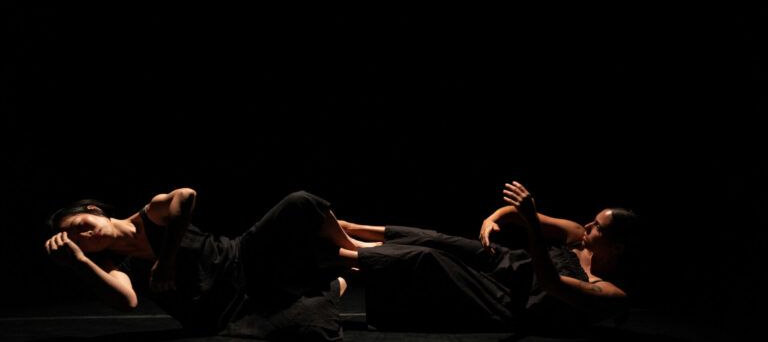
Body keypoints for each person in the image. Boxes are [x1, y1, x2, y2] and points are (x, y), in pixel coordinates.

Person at [44, 188, 377, 341]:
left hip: (241, 260)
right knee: (308, 327)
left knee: (299, 203)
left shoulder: (149, 214)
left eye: (79, 223)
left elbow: (185, 196)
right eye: (77, 240)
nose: (84, 234)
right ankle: (335, 281)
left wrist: (167, 261)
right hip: (227, 311)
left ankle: (357, 248)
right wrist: (78, 263)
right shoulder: (118, 266)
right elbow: (126, 301)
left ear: (92, 209)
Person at [337, 181, 639, 334]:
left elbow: (552, 284)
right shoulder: (578, 236)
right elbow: (518, 214)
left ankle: (340, 254)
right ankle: (349, 230)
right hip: (509, 263)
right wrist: (493, 219)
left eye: (597, 227)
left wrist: (532, 224)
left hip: (509, 300)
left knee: (429, 259)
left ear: (618, 247)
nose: (588, 226)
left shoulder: (612, 294)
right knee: (437, 239)